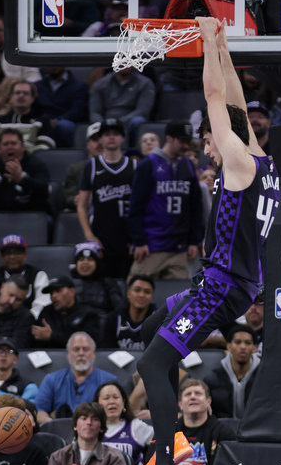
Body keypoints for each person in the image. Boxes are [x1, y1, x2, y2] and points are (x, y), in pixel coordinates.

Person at [126, 17, 280, 465]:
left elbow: (217, 98)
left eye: (208, 141)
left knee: (153, 362)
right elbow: (232, 100)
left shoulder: (235, 161)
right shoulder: (261, 159)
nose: (206, 148)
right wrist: (217, 42)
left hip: (223, 283)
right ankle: (175, 444)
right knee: (150, 330)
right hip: (224, 279)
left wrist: (206, 49)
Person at [129, 120, 203, 281]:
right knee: (136, 291)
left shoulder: (189, 166)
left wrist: (194, 240)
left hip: (180, 249)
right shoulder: (148, 164)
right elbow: (135, 207)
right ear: (169, 138)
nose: (185, 146)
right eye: (182, 141)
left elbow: (195, 207)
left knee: (177, 300)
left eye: (188, 142)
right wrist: (140, 241)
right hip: (152, 246)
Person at [77, 119, 135, 279]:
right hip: (101, 237)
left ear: (122, 138)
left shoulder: (134, 167)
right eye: (107, 134)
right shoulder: (92, 166)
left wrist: (138, 238)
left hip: (127, 237)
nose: (111, 138)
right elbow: (81, 205)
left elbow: (142, 206)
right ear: (101, 138)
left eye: (115, 134)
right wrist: (89, 235)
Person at [35, 332, 118, 424]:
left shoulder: (109, 381)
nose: (81, 353)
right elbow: (39, 411)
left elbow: (117, 412)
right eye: (76, 349)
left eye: (86, 349)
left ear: (94, 353)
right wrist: (57, 425)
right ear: (68, 354)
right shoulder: (51, 380)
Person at [0, 130, 51, 215]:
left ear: (23, 146)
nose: (10, 147)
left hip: (32, 215)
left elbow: (44, 191)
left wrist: (22, 180)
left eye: (14, 143)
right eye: (5, 144)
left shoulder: (35, 163)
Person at [0, 234, 50, 319]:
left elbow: (43, 304)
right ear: (1, 257)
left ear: (25, 254)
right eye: (8, 253)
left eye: (17, 252)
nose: (12, 256)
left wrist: (27, 321)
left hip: (28, 325)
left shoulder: (38, 275)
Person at [203, 324, 261, 419]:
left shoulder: (263, 378)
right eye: (237, 342)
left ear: (255, 348)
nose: (243, 347)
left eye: (248, 343)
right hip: (221, 431)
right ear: (229, 346)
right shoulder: (212, 378)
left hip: (257, 429)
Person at [89, 66, 156, 146]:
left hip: (130, 120)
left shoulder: (145, 83)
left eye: (127, 61)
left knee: (138, 121)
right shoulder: (100, 84)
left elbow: (143, 110)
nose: (124, 64)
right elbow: (94, 112)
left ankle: (134, 150)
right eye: (121, 61)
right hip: (106, 119)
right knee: (94, 125)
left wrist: (120, 122)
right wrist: (104, 124)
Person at [98, 380, 153, 465]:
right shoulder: (89, 428)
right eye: (106, 398)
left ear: (123, 402)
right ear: (97, 404)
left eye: (116, 397)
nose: (112, 401)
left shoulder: (136, 427)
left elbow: (166, 442)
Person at [31, 276, 102, 349]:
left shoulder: (88, 314)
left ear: (72, 291)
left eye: (58, 291)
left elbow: (87, 343)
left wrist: (53, 336)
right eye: (51, 293)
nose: (54, 296)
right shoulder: (46, 313)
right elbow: (36, 340)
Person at [36, 67, 90, 148]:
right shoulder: (37, 86)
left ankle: (67, 155)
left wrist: (58, 120)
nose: (54, 66)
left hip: (67, 120)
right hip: (42, 120)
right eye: (50, 63)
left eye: (57, 62)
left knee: (63, 126)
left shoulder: (80, 86)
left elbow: (78, 110)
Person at [101, 274, 155, 351]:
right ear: (128, 293)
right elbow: (106, 352)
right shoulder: (113, 318)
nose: (141, 295)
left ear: (152, 296)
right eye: (137, 290)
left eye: (147, 292)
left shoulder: (159, 321)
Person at [70, 243, 125, 317]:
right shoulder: (69, 284)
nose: (85, 262)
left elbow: (120, 309)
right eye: (81, 259)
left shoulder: (108, 283)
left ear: (97, 263)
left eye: (90, 259)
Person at [0, 337, 38, 402]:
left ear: (16, 359)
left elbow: (26, 410)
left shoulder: (28, 387)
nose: (3, 354)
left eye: (9, 351)